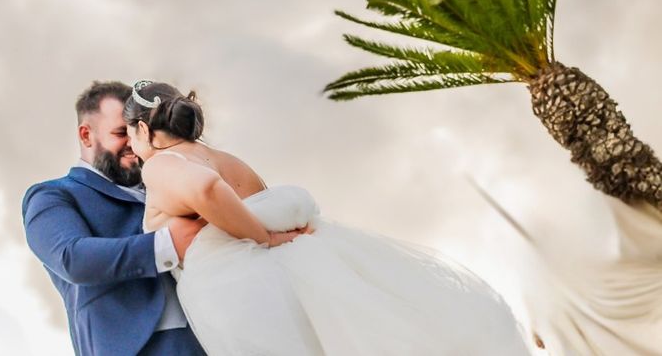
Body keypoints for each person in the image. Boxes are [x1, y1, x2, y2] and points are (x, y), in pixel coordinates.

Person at [124, 79, 534, 356]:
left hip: (238, 293)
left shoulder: (162, 164)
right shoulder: (229, 159)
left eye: (129, 133)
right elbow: (262, 201)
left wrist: (262, 238)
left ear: (143, 128)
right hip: (290, 277)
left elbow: (207, 191)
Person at [22, 81, 304, 355]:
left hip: (219, 335)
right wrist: (167, 244)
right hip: (143, 346)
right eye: (120, 133)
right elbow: (72, 258)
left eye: (132, 132)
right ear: (86, 135)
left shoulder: (173, 173)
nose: (131, 144)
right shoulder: (52, 195)